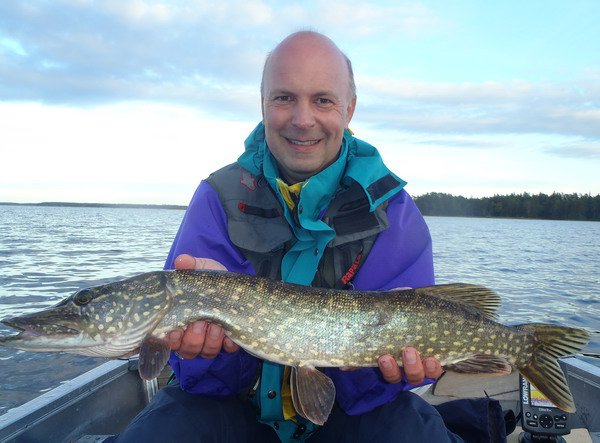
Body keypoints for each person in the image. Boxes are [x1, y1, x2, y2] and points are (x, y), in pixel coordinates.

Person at [112, 31, 506, 442]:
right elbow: (199, 380)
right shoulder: (218, 197)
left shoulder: (393, 212)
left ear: (349, 109)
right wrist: (207, 350)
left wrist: (391, 371)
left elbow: (383, 388)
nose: (302, 120)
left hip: (350, 414)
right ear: (263, 104)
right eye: (284, 98)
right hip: (233, 406)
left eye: (323, 100)